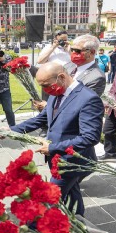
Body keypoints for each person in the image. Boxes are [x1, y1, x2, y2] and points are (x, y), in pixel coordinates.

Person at [10, 62, 103, 216]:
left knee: (47, 199)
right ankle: (79, 222)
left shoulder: (88, 99)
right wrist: (12, 131)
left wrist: (53, 148)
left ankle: (31, 231)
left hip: (72, 161)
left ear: (61, 77)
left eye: (46, 85)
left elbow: (90, 137)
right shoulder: (55, 94)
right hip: (57, 159)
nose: (45, 90)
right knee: (73, 194)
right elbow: (42, 119)